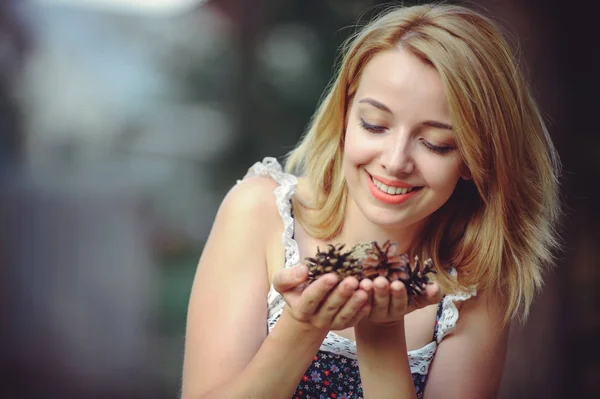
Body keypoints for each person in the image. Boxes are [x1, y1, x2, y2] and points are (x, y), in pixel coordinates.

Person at [181, 3, 561, 398]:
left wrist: (381, 336)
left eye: (436, 143)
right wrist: (301, 327)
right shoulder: (262, 212)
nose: (395, 162)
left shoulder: (471, 285)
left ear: (474, 159)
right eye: (374, 124)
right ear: (345, 115)